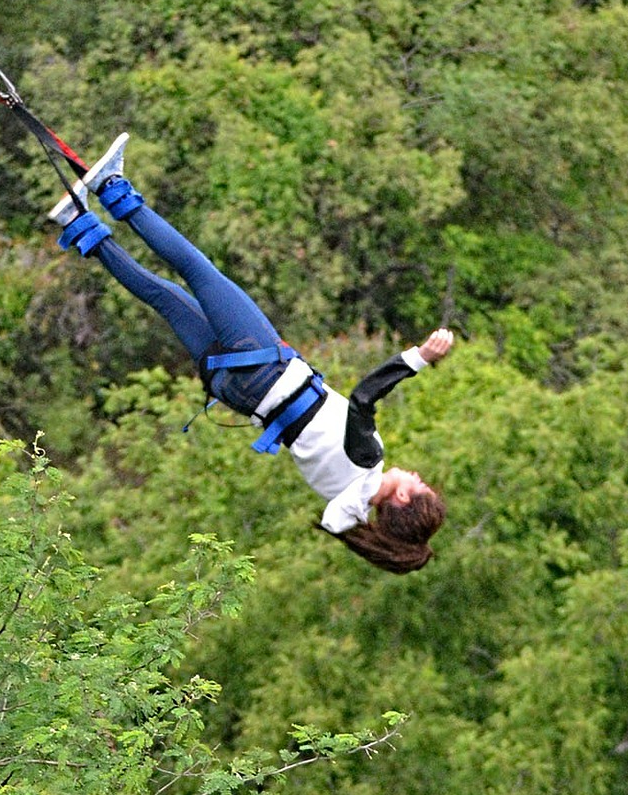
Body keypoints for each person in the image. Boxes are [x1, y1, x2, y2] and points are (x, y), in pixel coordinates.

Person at [49, 134, 452, 572]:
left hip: (261, 363)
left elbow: (362, 399)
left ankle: (112, 188)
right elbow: (337, 522)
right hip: (234, 391)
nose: (416, 476)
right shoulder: (340, 502)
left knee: (196, 269)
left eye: (420, 484)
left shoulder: (368, 463)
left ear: (405, 497)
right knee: (165, 299)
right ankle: (79, 223)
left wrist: (418, 359)